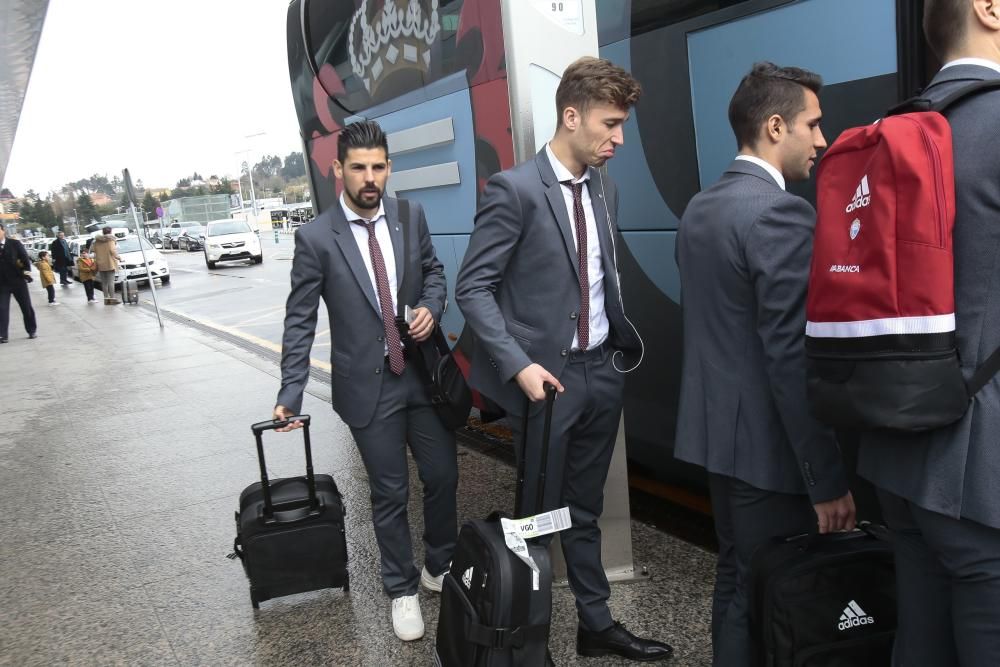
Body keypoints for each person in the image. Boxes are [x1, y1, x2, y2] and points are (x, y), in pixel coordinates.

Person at [456, 57, 672, 663]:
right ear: (570, 116)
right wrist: (520, 365)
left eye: (623, 125)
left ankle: (596, 625)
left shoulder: (605, 184)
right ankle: (526, 638)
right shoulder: (515, 190)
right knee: (538, 517)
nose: (619, 139)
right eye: (610, 124)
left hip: (601, 371)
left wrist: (609, 356)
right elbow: (472, 288)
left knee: (586, 506)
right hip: (545, 382)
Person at [673, 62, 855, 666]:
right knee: (768, 594)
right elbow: (789, 354)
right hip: (769, 453)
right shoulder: (781, 214)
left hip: (718, 440)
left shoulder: (702, 207)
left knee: (737, 579)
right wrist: (826, 481)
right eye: (814, 124)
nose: (822, 140)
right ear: (776, 127)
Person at [273, 120, 457, 643]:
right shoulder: (315, 238)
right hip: (368, 387)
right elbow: (300, 318)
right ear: (338, 170)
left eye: (378, 167)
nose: (370, 177)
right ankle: (401, 589)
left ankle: (438, 565)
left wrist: (430, 308)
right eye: (359, 168)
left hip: (420, 377)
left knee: (443, 476)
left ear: (389, 168)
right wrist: (291, 390)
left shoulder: (409, 215)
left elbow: (435, 273)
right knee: (390, 492)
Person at [856, 3, 1000, 665]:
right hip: (980, 457)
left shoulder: (891, 128)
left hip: (895, 437)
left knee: (919, 634)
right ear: (988, 8)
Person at [0, 223, 37, 342]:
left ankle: (31, 330)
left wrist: (27, 273)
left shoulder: (14, 244)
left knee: (26, 307)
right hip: (2, 284)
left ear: (3, 231)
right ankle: (3, 335)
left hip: (18, 281)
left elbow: (25, 259)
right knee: (2, 308)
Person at [91, 227, 120, 305]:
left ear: (103, 232)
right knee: (111, 282)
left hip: (100, 263)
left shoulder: (96, 241)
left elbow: (93, 250)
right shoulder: (111, 240)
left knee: (104, 283)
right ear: (110, 232)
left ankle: (106, 300)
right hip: (109, 263)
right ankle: (112, 299)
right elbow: (112, 250)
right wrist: (119, 258)